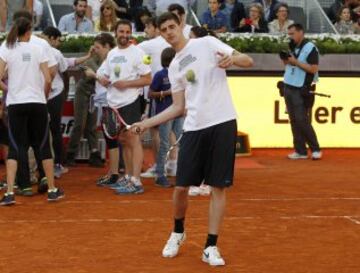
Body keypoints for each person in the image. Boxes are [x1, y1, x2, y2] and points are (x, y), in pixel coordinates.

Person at [131, 12, 253, 266]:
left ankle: (211, 246)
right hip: (194, 128)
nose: (169, 32)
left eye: (172, 26)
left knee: (218, 186)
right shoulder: (174, 66)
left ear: (181, 26)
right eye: (163, 29)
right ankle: (178, 232)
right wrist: (146, 123)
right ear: (160, 33)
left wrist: (235, 58)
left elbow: (247, 60)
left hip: (222, 122)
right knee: (181, 187)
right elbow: (177, 107)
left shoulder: (206, 44)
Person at [0, 17, 64, 206]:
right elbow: (49, 78)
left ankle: (10, 192)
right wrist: (42, 97)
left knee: (14, 147)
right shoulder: (38, 48)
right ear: (29, 31)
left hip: (15, 104)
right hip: (37, 103)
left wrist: (10, 90)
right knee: (43, 145)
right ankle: (52, 189)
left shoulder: (7, 47)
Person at [97, 19, 152, 195]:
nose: (125, 35)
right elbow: (102, 73)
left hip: (130, 102)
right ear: (116, 32)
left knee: (133, 140)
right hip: (114, 104)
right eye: (122, 32)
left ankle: (136, 181)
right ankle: (128, 177)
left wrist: (127, 84)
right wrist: (103, 79)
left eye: (128, 32)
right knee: (124, 141)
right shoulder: (112, 54)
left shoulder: (138, 52)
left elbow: (147, 78)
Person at [42, 26, 94, 178]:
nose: (58, 43)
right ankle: (53, 164)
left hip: (51, 94)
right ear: (51, 38)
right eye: (58, 40)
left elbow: (68, 62)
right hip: (43, 95)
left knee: (53, 130)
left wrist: (87, 56)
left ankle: (57, 163)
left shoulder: (54, 53)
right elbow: (68, 64)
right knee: (51, 130)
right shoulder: (51, 52)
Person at [281, 23, 322, 160]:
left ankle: (315, 149)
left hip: (301, 87)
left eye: (292, 34)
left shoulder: (311, 48)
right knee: (293, 120)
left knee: (302, 120)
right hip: (288, 85)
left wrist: (295, 62)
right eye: (289, 34)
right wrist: (286, 61)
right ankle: (300, 151)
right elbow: (290, 64)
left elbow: (313, 69)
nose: (291, 37)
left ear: (300, 32)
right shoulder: (292, 45)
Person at [138, 17, 170, 179]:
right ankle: (169, 164)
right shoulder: (171, 42)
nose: (145, 30)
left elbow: (130, 50)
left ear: (156, 28)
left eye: (148, 27)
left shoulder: (148, 44)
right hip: (171, 90)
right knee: (170, 131)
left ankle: (159, 166)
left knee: (155, 131)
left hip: (156, 93)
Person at [148, 47, 184, 188]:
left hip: (178, 112)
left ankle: (176, 173)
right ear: (171, 59)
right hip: (165, 113)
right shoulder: (160, 75)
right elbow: (151, 93)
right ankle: (160, 175)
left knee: (178, 142)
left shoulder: (180, 73)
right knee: (164, 144)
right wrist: (166, 92)